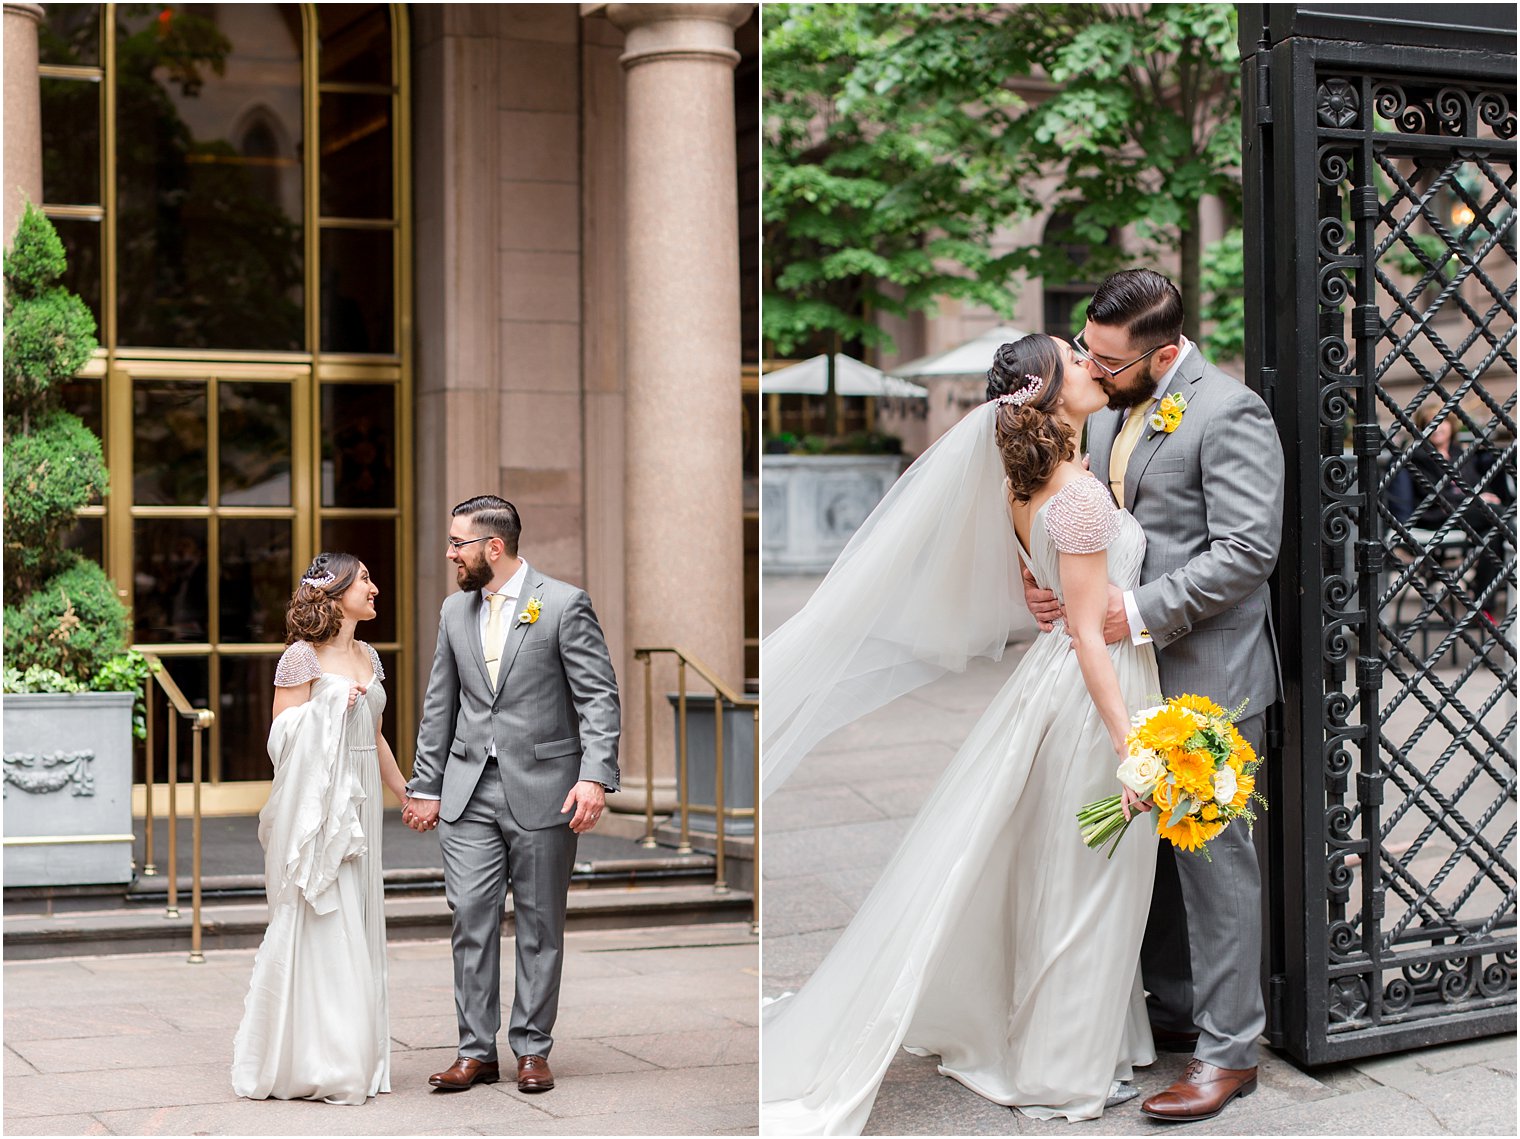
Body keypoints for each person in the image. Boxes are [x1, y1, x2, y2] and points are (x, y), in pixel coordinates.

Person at [761, 333, 1166, 1133]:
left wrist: (1042, 586)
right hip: (1096, 694)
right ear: (1047, 396)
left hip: (1055, 685)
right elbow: (1090, 632)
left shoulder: (1030, 484)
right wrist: (1133, 743)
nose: (1092, 363)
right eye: (1075, 360)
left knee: (1061, 870)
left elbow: (1046, 583)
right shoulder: (1077, 494)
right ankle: (1062, 1070)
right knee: (1089, 886)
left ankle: (1085, 1045)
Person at [1037, 268, 1284, 1122]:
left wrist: (1132, 611)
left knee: (1216, 870)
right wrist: (1065, 594)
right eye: (1089, 357)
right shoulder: (1118, 411)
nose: (1094, 373)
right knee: (1160, 871)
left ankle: (1229, 1053)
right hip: (1133, 672)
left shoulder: (1229, 411)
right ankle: (1177, 1012)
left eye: (1109, 362)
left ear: (1166, 352)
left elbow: (1249, 549)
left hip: (1207, 676)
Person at [403, 496, 620, 1094]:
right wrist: (425, 785)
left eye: (457, 544)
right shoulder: (453, 611)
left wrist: (594, 775)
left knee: (540, 922)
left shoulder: (563, 604)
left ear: (492, 548)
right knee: (470, 916)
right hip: (467, 792)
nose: (449, 554)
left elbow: (598, 698)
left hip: (546, 789)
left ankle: (531, 1048)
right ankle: (475, 1052)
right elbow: (438, 706)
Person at [231, 552, 409, 1105]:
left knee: (357, 916)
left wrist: (409, 794)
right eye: (366, 580)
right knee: (324, 915)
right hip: (321, 807)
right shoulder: (299, 659)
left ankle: (359, 1053)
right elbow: (281, 738)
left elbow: (376, 737)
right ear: (335, 595)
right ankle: (322, 1059)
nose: (376, 588)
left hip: (362, 802)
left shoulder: (371, 657)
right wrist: (328, 708)